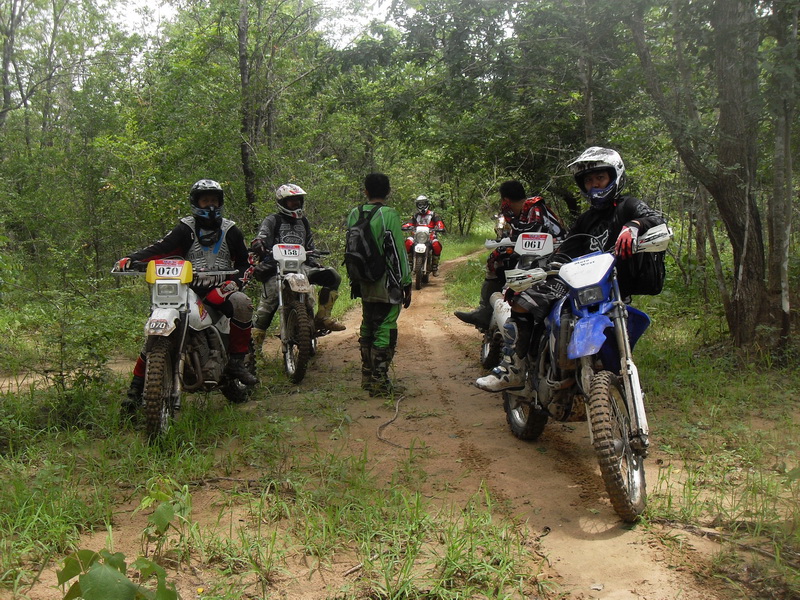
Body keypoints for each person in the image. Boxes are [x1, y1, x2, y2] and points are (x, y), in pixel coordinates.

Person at [476, 146, 666, 392]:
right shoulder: (586, 219)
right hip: (577, 282)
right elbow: (568, 248)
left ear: (614, 176)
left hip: (612, 285)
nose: (594, 185)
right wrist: (547, 267)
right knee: (522, 302)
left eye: (600, 178)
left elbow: (655, 218)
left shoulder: (628, 206)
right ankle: (513, 369)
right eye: (589, 181)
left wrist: (635, 225)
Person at [116, 179, 259, 413]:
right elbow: (161, 248)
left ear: (220, 202)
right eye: (205, 200)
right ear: (195, 202)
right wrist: (132, 259)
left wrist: (233, 284)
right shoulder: (185, 228)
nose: (210, 205)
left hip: (222, 289)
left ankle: (237, 362)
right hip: (188, 289)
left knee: (242, 303)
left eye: (214, 200)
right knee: (155, 331)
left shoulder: (230, 230)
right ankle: (135, 390)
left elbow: (246, 262)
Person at [454, 180, 566, 329]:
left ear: (506, 200)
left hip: (554, 255)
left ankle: (498, 311)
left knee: (504, 259)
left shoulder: (535, 208)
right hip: (538, 254)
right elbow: (515, 236)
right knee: (496, 258)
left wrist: (511, 227)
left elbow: (533, 236)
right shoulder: (523, 213)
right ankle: (486, 310)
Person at [249, 184, 346, 349]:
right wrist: (259, 244)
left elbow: (309, 245)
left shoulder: (304, 222)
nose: (295, 204)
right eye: (291, 201)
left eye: (298, 200)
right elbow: (262, 236)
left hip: (301, 267)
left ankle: (322, 317)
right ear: (282, 203)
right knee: (266, 309)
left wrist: (313, 258)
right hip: (275, 268)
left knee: (332, 276)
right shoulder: (273, 220)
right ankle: (253, 352)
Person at [346, 173, 412, 396]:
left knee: (368, 323)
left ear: (365, 191)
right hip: (385, 282)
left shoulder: (355, 213)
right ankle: (380, 382)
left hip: (363, 280)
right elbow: (397, 250)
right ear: (388, 192)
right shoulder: (388, 214)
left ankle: (367, 377)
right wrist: (405, 282)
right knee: (385, 326)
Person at [401, 195, 446, 276]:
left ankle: (435, 266)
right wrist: (406, 226)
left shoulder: (433, 215)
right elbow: (409, 223)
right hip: (416, 236)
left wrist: (440, 227)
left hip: (430, 236)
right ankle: (410, 263)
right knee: (408, 242)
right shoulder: (415, 215)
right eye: (420, 204)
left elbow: (439, 223)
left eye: (423, 204)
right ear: (417, 205)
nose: (422, 206)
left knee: (436, 245)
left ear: (427, 204)